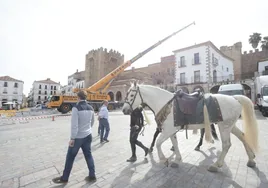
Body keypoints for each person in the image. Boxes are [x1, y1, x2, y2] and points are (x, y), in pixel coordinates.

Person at [52, 91, 96, 184]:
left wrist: (72, 138)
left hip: (78, 138)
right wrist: (87, 129)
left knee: (70, 157)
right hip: (88, 135)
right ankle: (92, 175)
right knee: (88, 155)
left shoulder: (76, 108)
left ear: (78, 97)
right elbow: (92, 122)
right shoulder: (91, 108)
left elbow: (74, 126)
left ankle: (65, 178)